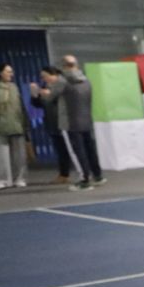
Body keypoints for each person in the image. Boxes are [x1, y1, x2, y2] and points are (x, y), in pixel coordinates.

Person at [58, 55, 102, 189]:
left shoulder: (63, 81)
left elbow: (50, 97)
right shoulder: (86, 81)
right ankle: (97, 175)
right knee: (90, 149)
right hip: (86, 119)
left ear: (64, 66)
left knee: (77, 152)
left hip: (71, 122)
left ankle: (84, 180)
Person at [29, 66, 72, 183]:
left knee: (71, 150)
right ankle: (64, 174)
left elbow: (66, 102)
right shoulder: (46, 86)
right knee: (61, 150)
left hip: (65, 123)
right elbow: (40, 105)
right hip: (52, 123)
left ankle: (80, 173)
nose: (43, 79)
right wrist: (34, 95)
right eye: (42, 77)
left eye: (45, 76)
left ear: (53, 75)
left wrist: (49, 94)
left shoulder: (64, 84)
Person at [0, 64, 27, 189]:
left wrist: (25, 123)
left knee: (19, 156)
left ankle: (19, 178)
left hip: (16, 125)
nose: (11, 74)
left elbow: (21, 107)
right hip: (1, 126)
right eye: (8, 71)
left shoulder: (14, 87)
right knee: (1, 156)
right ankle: (2, 179)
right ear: (0, 73)